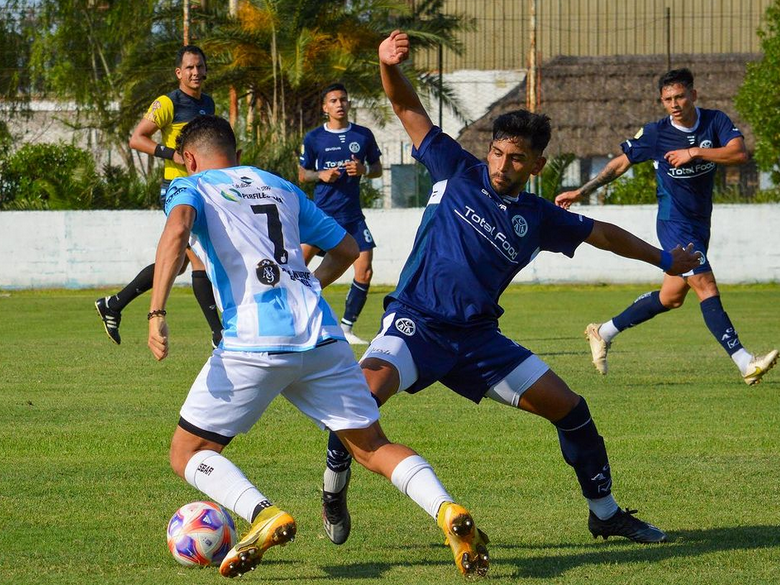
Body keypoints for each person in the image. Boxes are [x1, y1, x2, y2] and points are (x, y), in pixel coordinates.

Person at [319, 30, 703, 549]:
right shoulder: (457, 169)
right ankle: (334, 484)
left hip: (478, 340)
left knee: (572, 408)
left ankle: (606, 514)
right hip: (418, 324)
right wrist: (388, 65)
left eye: (516, 159)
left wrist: (662, 258)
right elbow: (406, 106)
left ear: (537, 165)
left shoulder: (539, 217)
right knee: (357, 403)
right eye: (498, 153)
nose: (502, 165)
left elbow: (602, 234)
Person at [147, 115, 489, 578]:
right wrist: (309, 284)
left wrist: (157, 311)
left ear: (188, 158)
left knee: (186, 452)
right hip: (322, 338)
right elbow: (347, 249)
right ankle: (447, 510)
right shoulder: (281, 186)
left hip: (255, 341)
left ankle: (263, 513)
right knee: (371, 446)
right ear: (238, 153)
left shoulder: (194, 185)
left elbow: (178, 228)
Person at [556, 68, 778, 384]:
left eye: (680, 97)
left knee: (671, 297)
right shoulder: (657, 133)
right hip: (675, 224)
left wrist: (695, 151)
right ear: (662, 101)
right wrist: (581, 191)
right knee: (706, 287)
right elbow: (621, 162)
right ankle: (745, 363)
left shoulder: (715, 122)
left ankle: (603, 331)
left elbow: (739, 153)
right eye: (667, 99)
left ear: (693, 96)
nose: (674, 104)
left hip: (700, 223)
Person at [95, 45, 223, 348]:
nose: (195, 72)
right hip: (178, 190)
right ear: (179, 73)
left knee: (178, 264)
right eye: (189, 68)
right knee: (198, 260)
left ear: (206, 70)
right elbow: (137, 139)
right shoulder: (168, 102)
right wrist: (172, 154)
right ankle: (220, 334)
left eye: (200, 67)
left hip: (203, 188)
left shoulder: (208, 103)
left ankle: (113, 304)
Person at [298, 83, 383, 345]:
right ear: (325, 107)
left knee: (365, 270)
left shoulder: (363, 135)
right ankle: (294, 316)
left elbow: (377, 168)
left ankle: (346, 327)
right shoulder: (314, 138)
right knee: (296, 267)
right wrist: (320, 174)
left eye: (343, 100)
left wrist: (364, 171)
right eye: (333, 100)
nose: (339, 104)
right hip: (322, 215)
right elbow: (303, 175)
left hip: (353, 215)